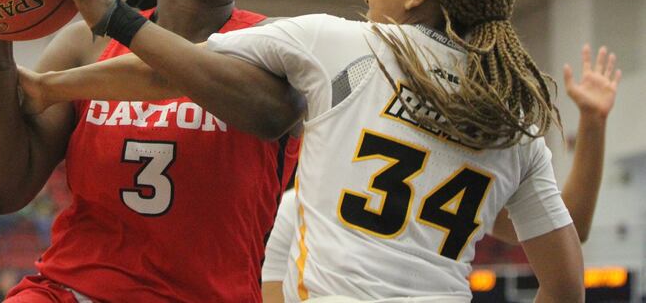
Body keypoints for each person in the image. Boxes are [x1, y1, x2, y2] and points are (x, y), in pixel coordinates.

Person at [0, 0, 617, 301]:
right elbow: (566, 281)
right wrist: (590, 126)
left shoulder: (345, 46)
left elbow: (176, 75)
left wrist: (61, 74)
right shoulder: (511, 119)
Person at [0, 0, 299, 302]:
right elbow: (3, 191)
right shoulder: (83, 45)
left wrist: (117, 18)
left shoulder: (275, 39)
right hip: (72, 289)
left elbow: (270, 115)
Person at [260, 43, 621, 302]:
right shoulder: (296, 210)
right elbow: (569, 253)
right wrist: (591, 125)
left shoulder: (297, 207)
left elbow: (568, 233)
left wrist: (592, 124)